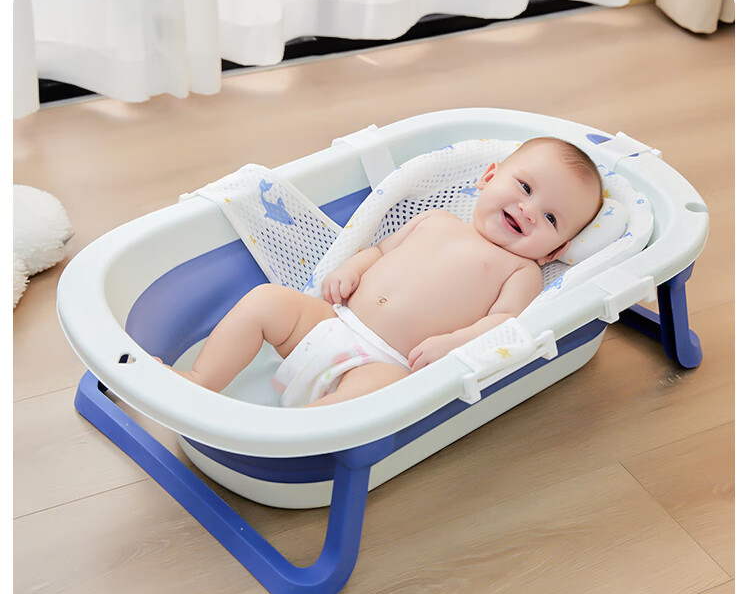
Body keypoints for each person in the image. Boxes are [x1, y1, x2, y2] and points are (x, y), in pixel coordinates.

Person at [166, 137, 603, 407]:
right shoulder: (435, 218)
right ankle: (199, 380)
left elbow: (503, 323)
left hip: (387, 363)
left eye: (551, 218)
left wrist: (454, 342)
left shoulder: (521, 271)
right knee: (266, 301)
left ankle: (293, 433)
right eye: (525, 187)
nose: (528, 210)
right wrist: (352, 267)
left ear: (555, 250)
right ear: (489, 177)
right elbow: (378, 250)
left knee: (380, 395)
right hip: (331, 321)